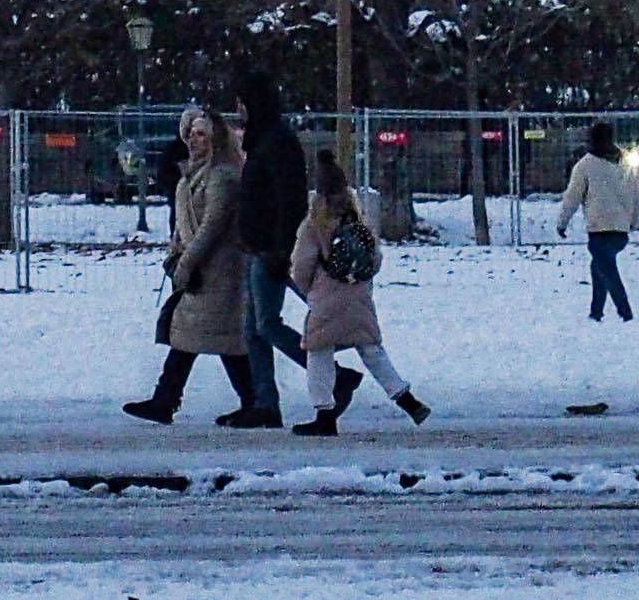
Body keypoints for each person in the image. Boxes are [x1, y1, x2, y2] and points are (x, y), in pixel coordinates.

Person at [123, 105, 256, 426]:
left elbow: (212, 225)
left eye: (202, 134)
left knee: (209, 337)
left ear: (216, 139)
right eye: (191, 134)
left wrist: (186, 263)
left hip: (219, 270)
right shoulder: (195, 173)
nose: (194, 140)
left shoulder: (222, 176)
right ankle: (249, 400)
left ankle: (168, 401)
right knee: (205, 337)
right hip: (204, 270)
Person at [287, 149, 429, 432]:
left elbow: (301, 267)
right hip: (360, 298)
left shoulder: (313, 225)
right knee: (371, 349)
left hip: (326, 301)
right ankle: (407, 399)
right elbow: (375, 260)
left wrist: (309, 291)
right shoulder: (360, 220)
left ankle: (324, 415)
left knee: (318, 353)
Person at [224, 67, 310, 427]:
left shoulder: (275, 141)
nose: (239, 110)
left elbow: (290, 198)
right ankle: (264, 402)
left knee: (266, 325)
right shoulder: (264, 139)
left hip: (271, 248)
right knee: (252, 330)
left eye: (242, 102)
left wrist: (281, 247)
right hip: (257, 245)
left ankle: (331, 374)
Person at [555, 121, 639, 321]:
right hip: (621, 230)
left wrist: (562, 222)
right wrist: (635, 221)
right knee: (600, 267)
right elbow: (638, 196)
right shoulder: (627, 163)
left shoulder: (585, 165)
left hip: (598, 229)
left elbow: (572, 197)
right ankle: (596, 312)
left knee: (607, 270)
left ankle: (626, 313)